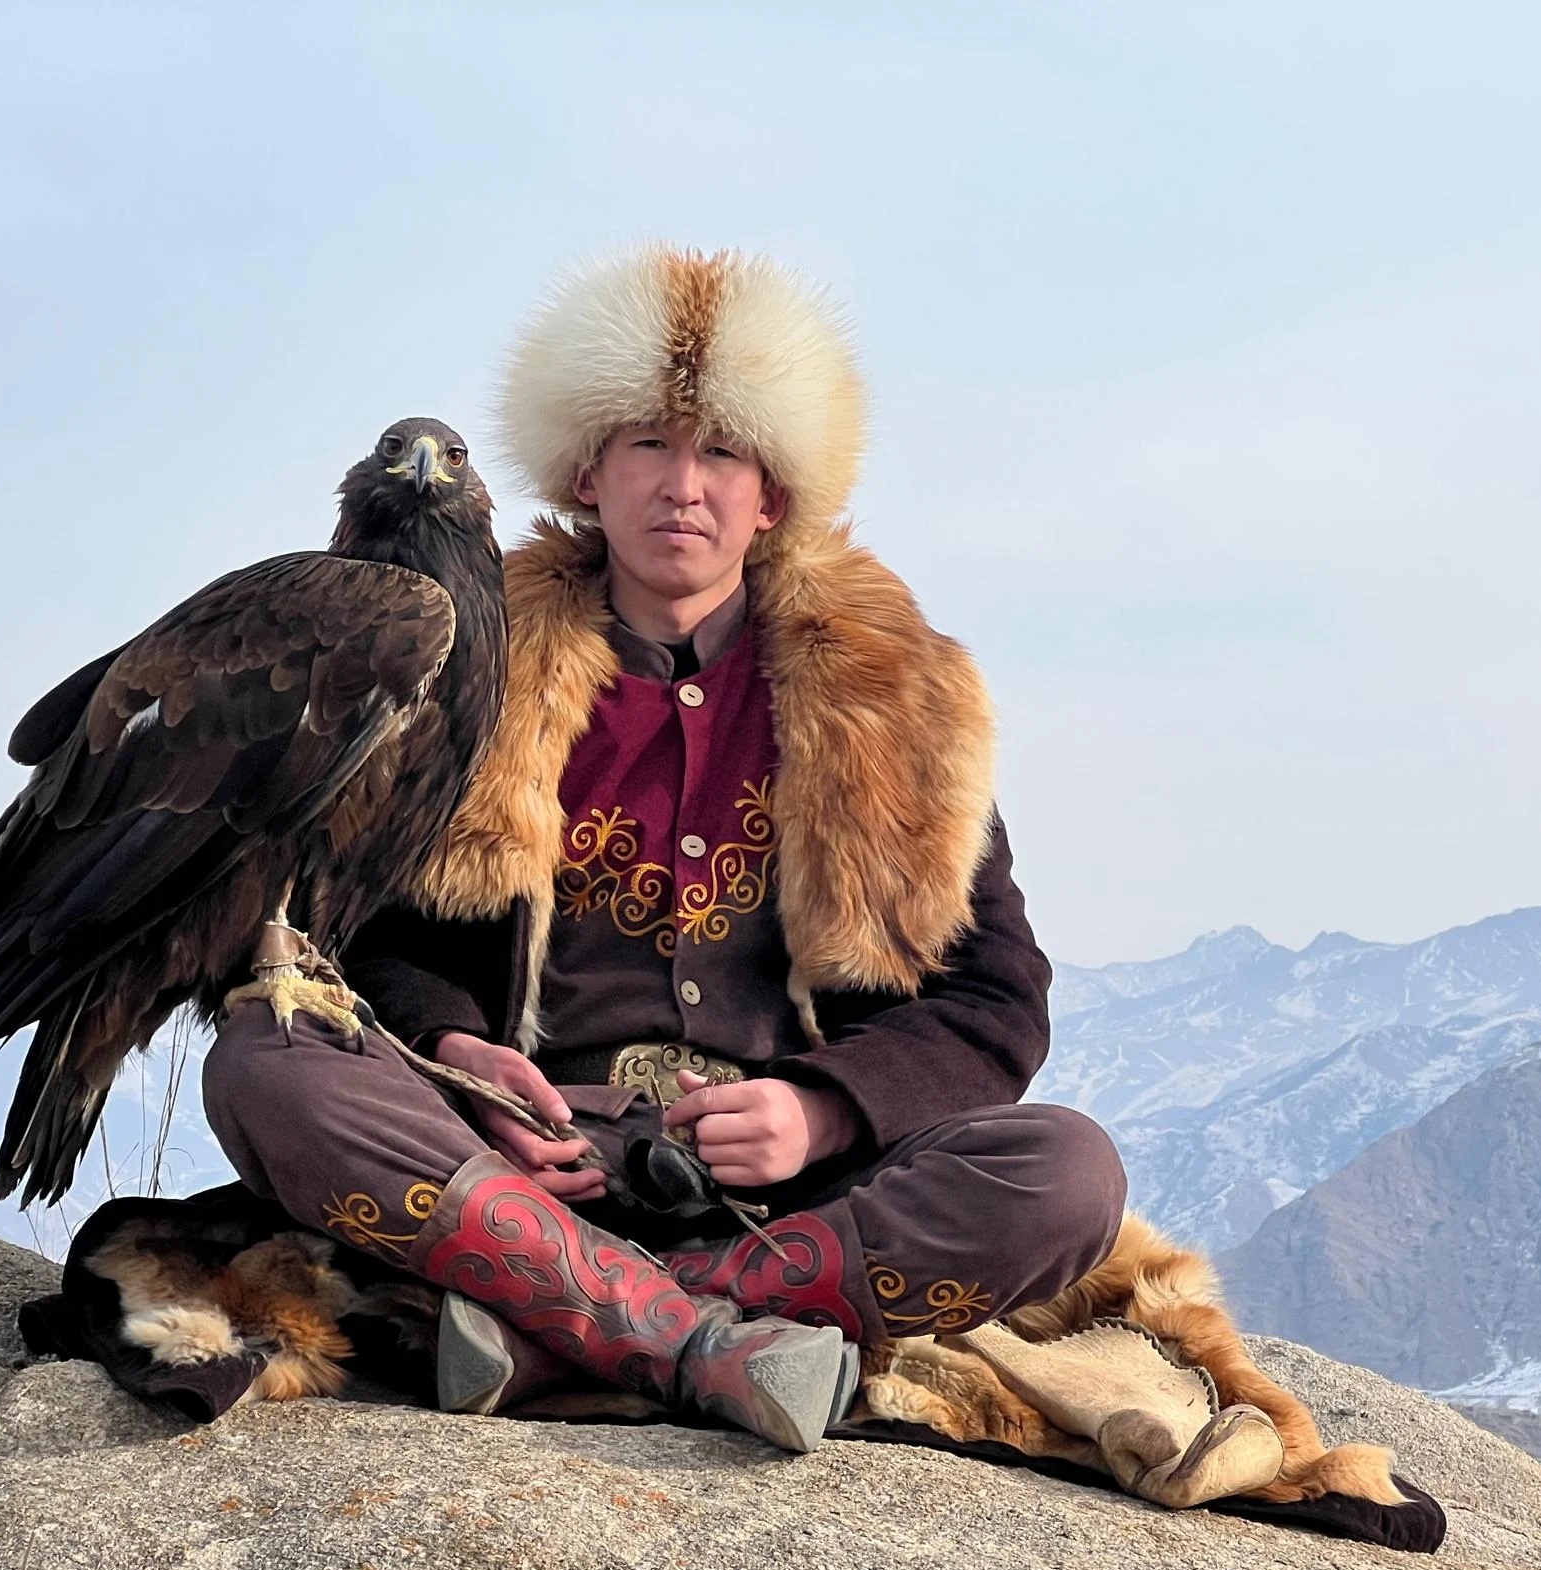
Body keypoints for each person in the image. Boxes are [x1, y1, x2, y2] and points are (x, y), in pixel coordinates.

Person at [200, 246, 1127, 1454]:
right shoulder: (465, 661)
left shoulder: (900, 698)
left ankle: (566, 1329)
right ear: (588, 473)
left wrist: (822, 1110)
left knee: (1065, 1173)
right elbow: (357, 937)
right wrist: (461, 1057)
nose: (682, 486)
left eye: (723, 453)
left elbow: (994, 1001)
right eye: (647, 445)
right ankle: (713, 1348)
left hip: (790, 1199)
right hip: (512, 1164)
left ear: (773, 495)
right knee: (266, 1060)